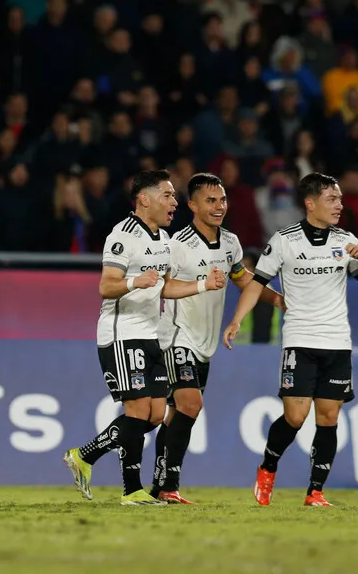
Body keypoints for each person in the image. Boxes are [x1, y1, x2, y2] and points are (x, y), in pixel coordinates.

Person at [62, 169, 226, 506]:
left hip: (153, 335)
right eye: (167, 195)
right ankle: (131, 490)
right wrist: (135, 282)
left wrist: (201, 285)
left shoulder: (165, 241)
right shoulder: (122, 236)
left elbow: (165, 285)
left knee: (154, 415)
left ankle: (84, 457)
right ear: (144, 199)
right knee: (138, 410)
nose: (174, 202)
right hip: (123, 333)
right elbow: (105, 286)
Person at [222, 172, 358, 507]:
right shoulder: (284, 240)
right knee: (295, 416)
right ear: (310, 204)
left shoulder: (346, 240)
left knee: (328, 417)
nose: (340, 204)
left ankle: (315, 492)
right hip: (300, 340)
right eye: (332, 198)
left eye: (339, 199)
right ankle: (267, 469)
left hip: (337, 341)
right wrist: (237, 319)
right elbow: (257, 283)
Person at [148, 173, 285, 504]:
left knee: (175, 415)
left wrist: (277, 298)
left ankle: (158, 485)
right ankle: (170, 486)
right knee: (191, 405)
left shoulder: (231, 243)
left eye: (222, 200)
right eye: (210, 200)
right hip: (177, 336)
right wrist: (200, 285)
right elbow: (162, 287)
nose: (219, 206)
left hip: (205, 343)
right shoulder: (176, 245)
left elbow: (243, 279)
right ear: (193, 205)